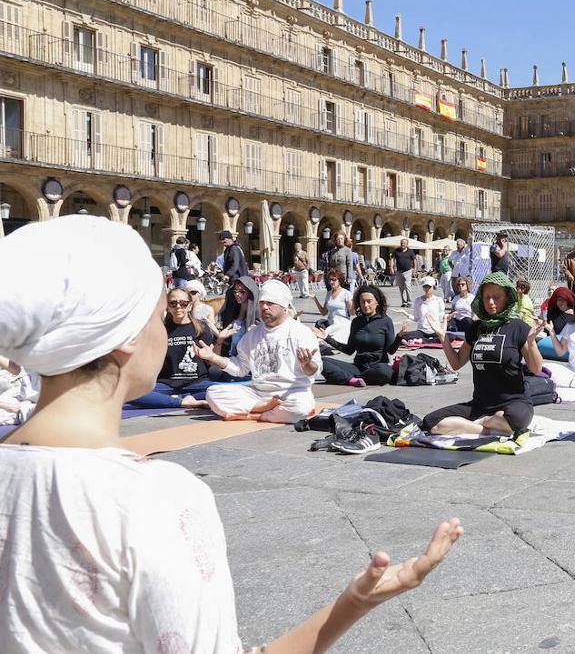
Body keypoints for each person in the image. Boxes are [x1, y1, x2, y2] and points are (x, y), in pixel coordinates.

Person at [0, 215, 463, 652]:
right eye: (159, 314)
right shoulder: (156, 500)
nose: (166, 329)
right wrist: (355, 604)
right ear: (124, 338)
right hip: (260, 398)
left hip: (287, 396)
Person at [423, 272, 544, 436]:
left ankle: (484, 423)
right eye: (486, 297)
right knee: (431, 422)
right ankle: (485, 427)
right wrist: (443, 338)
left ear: (507, 298)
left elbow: (536, 369)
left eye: (496, 297)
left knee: (515, 419)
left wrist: (531, 343)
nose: (491, 302)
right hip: (480, 405)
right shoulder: (476, 328)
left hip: (514, 403)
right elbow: (457, 363)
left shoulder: (518, 327)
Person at [196, 280, 321, 423]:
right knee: (213, 393)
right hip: (258, 394)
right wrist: (213, 357)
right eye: (262, 303)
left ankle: (253, 415)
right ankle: (265, 409)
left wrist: (307, 364)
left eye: (270, 303)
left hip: (291, 393)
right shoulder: (251, 336)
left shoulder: (301, 333)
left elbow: (315, 370)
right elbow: (240, 368)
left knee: (300, 407)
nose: (265, 307)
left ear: (284, 306)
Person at [129, 287, 215, 409]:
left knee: (230, 390)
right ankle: (181, 402)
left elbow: (210, 361)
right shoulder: (160, 330)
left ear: (190, 306)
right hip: (167, 384)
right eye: (173, 303)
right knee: (130, 393)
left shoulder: (202, 328)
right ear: (168, 306)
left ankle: (175, 398)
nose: (178, 307)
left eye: (183, 303)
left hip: (197, 383)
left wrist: (218, 345)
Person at [317, 284, 404, 387]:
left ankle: (348, 378)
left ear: (377, 302)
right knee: (320, 361)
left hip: (377, 367)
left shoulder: (386, 321)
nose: (365, 305)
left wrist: (399, 337)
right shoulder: (356, 322)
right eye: (362, 302)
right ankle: (352, 379)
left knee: (386, 372)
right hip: (358, 367)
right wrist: (327, 338)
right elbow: (349, 350)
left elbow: (390, 350)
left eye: (369, 301)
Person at [218, 276, 260, 357]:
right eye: (235, 291)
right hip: (234, 354)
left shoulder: (258, 310)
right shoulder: (235, 308)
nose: (237, 294)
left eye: (242, 292)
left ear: (250, 292)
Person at [313, 268, 355, 343]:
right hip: (330, 324)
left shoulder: (346, 294)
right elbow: (323, 312)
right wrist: (315, 299)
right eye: (329, 280)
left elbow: (352, 313)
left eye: (334, 280)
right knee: (316, 328)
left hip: (341, 324)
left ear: (340, 280)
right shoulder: (329, 293)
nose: (331, 282)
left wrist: (353, 304)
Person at [410, 276, 446, 342]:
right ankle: (426, 340)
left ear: (433, 287)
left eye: (429, 287)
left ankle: (424, 341)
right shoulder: (418, 300)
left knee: (448, 337)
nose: (427, 289)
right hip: (422, 331)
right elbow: (416, 317)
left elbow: (441, 317)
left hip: (435, 330)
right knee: (404, 336)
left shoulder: (439, 300)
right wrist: (406, 315)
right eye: (425, 287)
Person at [391, 238, 419, 305]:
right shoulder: (396, 251)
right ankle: (403, 301)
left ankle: (409, 300)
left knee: (407, 285)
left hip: (408, 271)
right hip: (399, 271)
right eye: (401, 243)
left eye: (404, 243)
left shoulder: (410, 251)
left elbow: (414, 260)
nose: (402, 244)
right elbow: (392, 259)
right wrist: (391, 268)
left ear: (407, 244)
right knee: (401, 287)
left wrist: (415, 269)